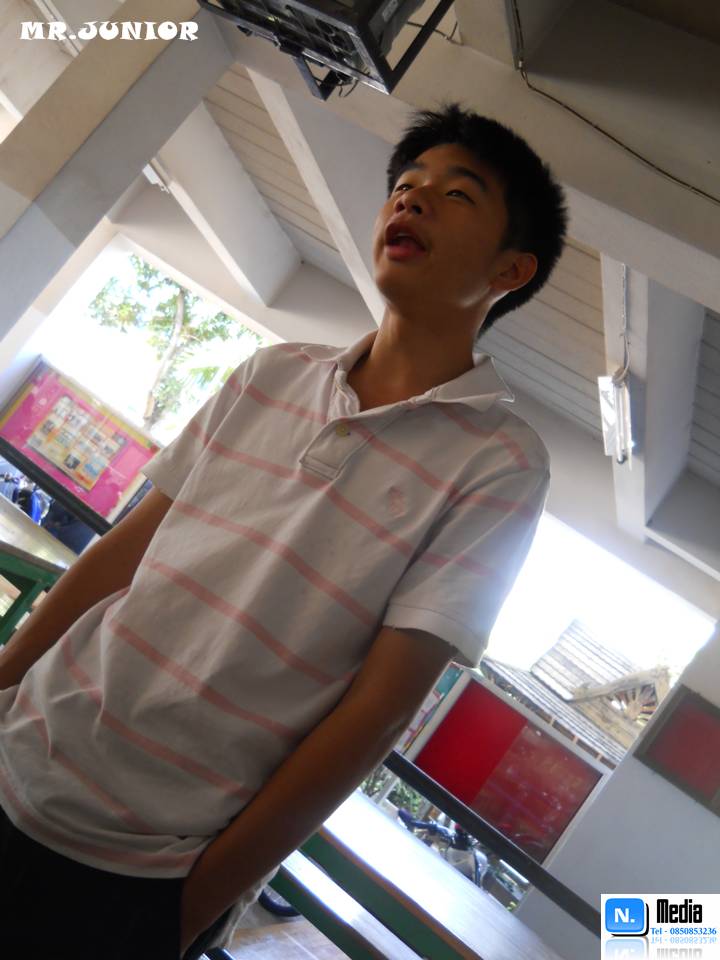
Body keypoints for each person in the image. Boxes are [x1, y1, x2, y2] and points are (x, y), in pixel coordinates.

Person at [0, 102, 567, 958]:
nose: (411, 200)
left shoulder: (501, 464)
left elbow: (377, 711)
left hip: (143, 865)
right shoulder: (272, 372)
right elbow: (122, 555)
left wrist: (195, 905)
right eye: (406, 185)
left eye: (457, 194)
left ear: (511, 270)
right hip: (20, 748)